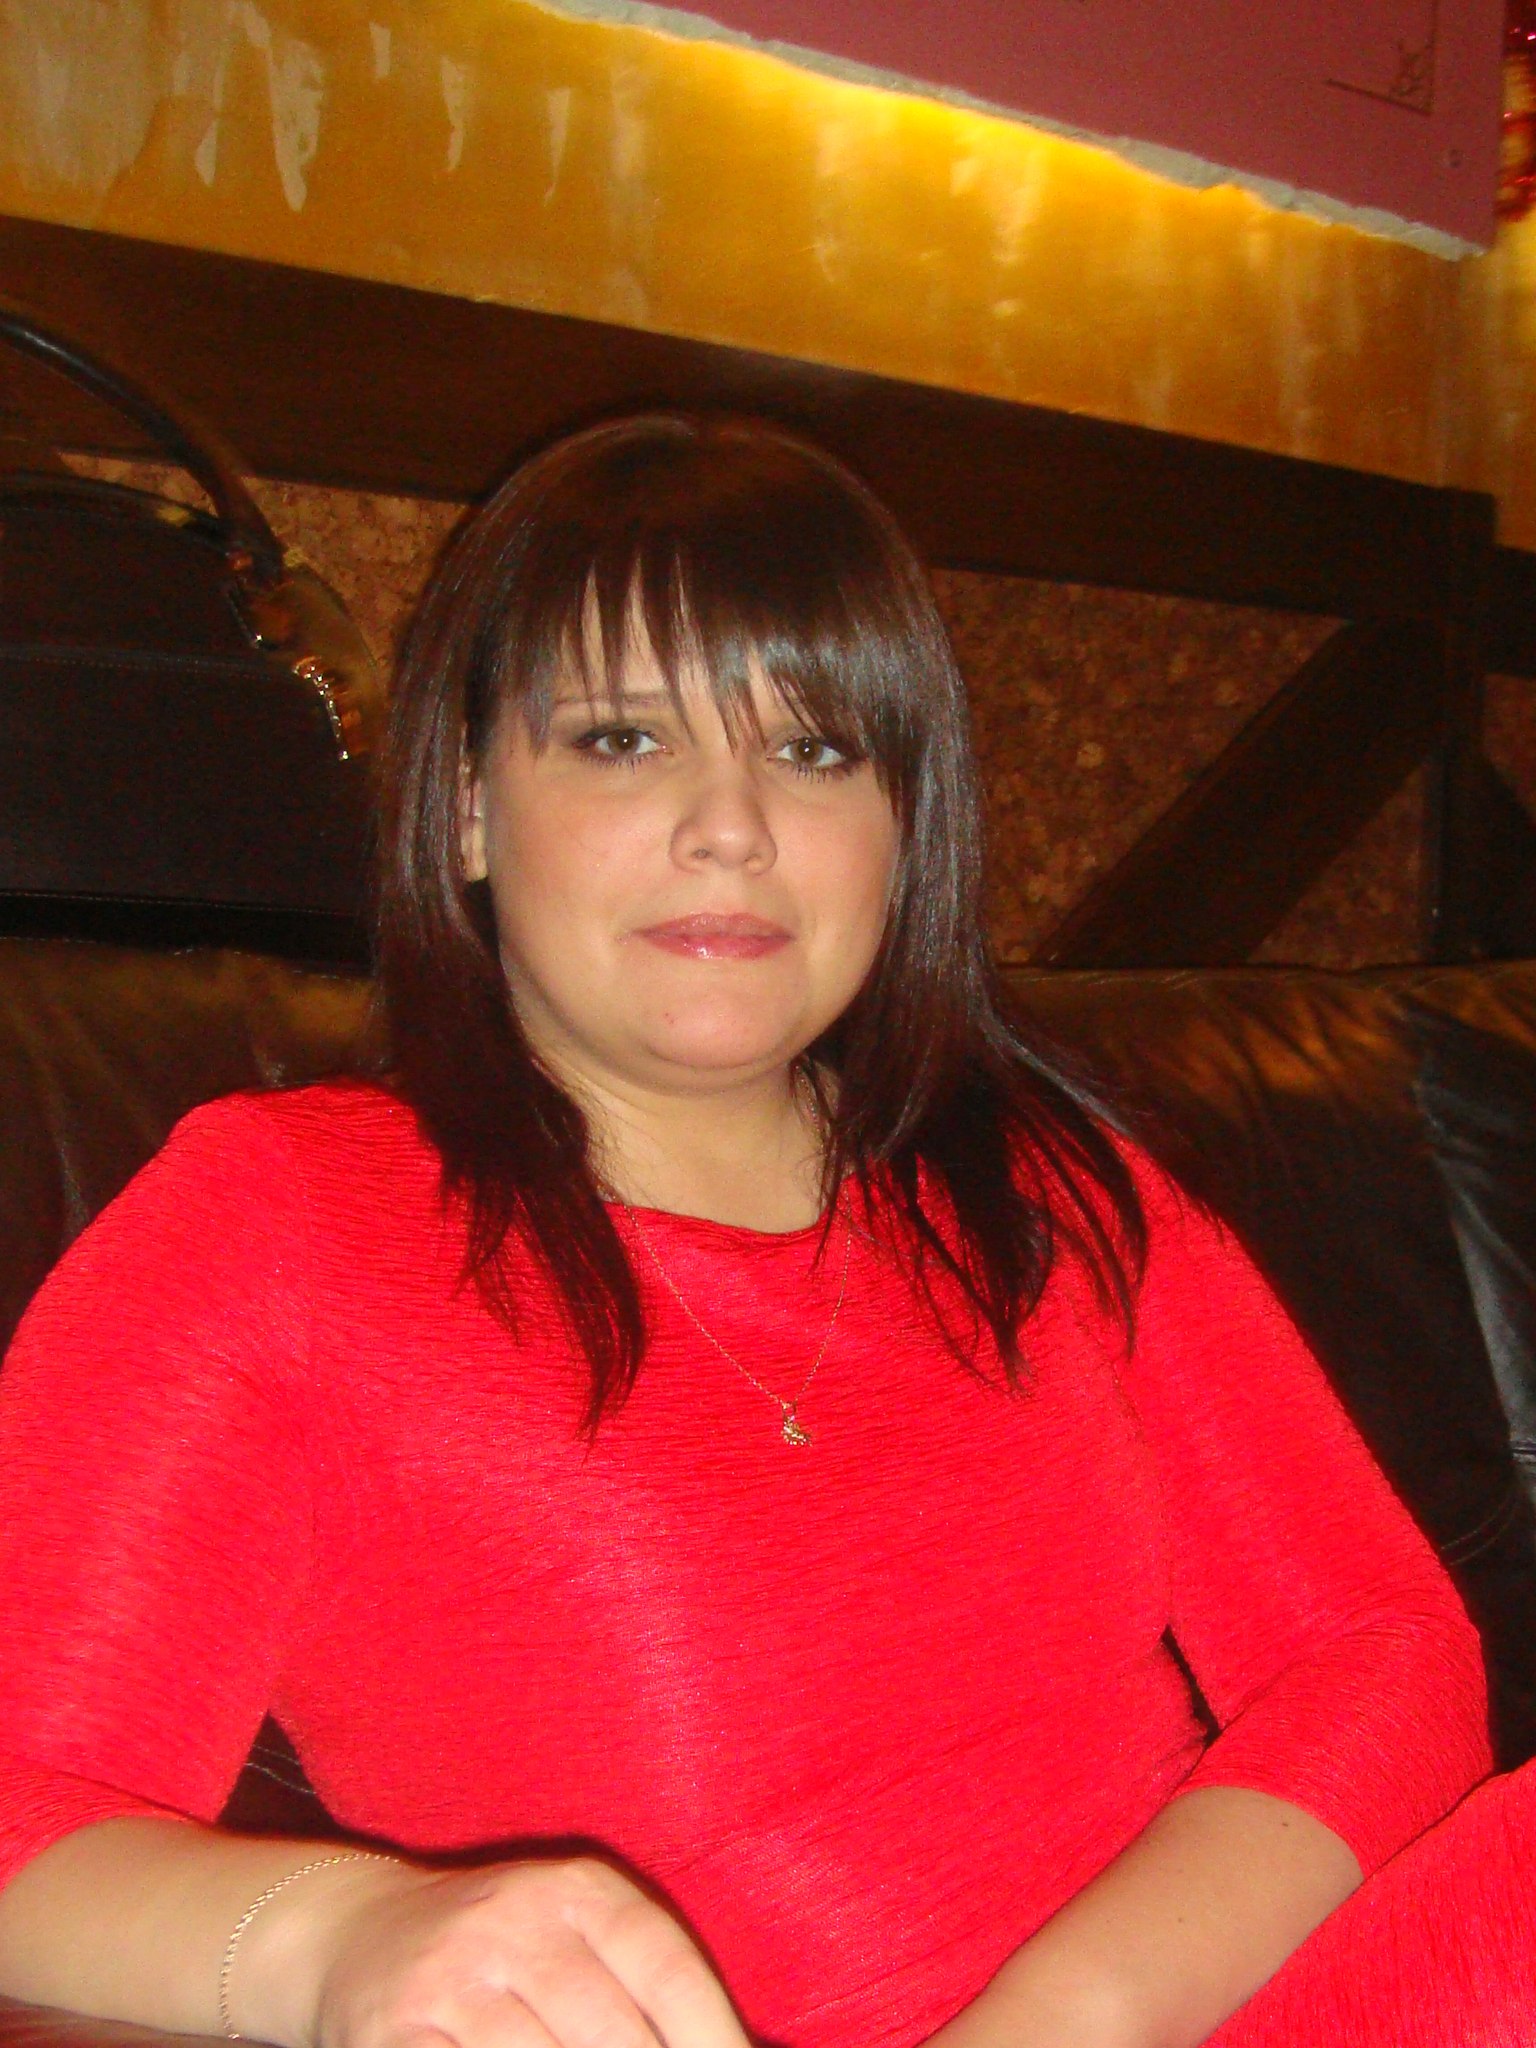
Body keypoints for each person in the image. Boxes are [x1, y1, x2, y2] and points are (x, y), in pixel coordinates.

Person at [0, 414, 1529, 2048]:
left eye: (814, 752)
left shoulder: (1054, 1199)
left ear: (903, 828)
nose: (729, 825)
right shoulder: (282, 1225)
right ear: (463, 806)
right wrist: (333, 1941)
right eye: (620, 740)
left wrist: (1065, 2021)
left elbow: (1382, 1652)